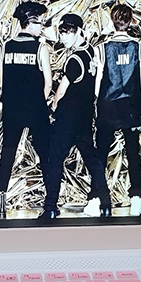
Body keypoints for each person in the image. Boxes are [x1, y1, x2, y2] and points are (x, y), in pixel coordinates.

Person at [39, 13, 111, 220]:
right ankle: (106, 203)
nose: (63, 37)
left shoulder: (73, 59)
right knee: (92, 160)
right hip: (85, 116)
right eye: (61, 33)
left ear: (79, 31)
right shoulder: (90, 52)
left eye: (68, 32)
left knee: (55, 160)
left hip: (68, 118)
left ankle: (50, 207)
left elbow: (61, 91)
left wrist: (54, 108)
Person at [0, 0, 53, 218]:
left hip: (12, 108)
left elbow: (1, 80)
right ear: (31, 22)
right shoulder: (40, 47)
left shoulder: (7, 45)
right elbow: (48, 83)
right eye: (41, 23)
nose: (42, 27)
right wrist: (39, 102)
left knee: (7, 152)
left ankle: (0, 199)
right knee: (45, 154)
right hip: (35, 108)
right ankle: (51, 200)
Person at [94, 3, 141, 215]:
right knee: (133, 153)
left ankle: (96, 199)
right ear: (131, 21)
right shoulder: (139, 46)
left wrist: (97, 103)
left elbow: (98, 81)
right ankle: (136, 199)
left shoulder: (102, 48)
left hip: (107, 105)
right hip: (131, 105)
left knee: (101, 153)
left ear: (112, 21)